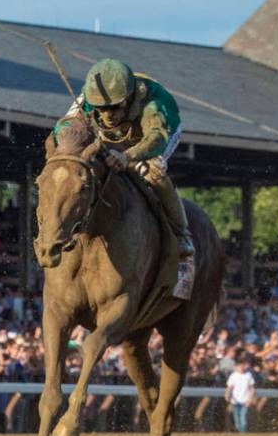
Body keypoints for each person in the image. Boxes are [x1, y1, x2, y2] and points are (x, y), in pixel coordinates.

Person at [53, 58, 194, 297]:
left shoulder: (150, 103)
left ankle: (182, 236)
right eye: (102, 109)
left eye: (115, 107)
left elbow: (157, 138)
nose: (108, 115)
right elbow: (60, 129)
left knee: (153, 172)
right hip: (114, 138)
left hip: (156, 134)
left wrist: (128, 157)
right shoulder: (86, 99)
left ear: (129, 98)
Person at [225, 358, 255, 433]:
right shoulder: (233, 376)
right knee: (237, 420)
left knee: (243, 419)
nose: (241, 367)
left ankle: (243, 433)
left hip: (245, 401)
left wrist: (250, 399)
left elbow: (251, 389)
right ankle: (239, 434)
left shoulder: (248, 375)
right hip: (235, 401)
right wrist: (227, 395)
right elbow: (229, 387)